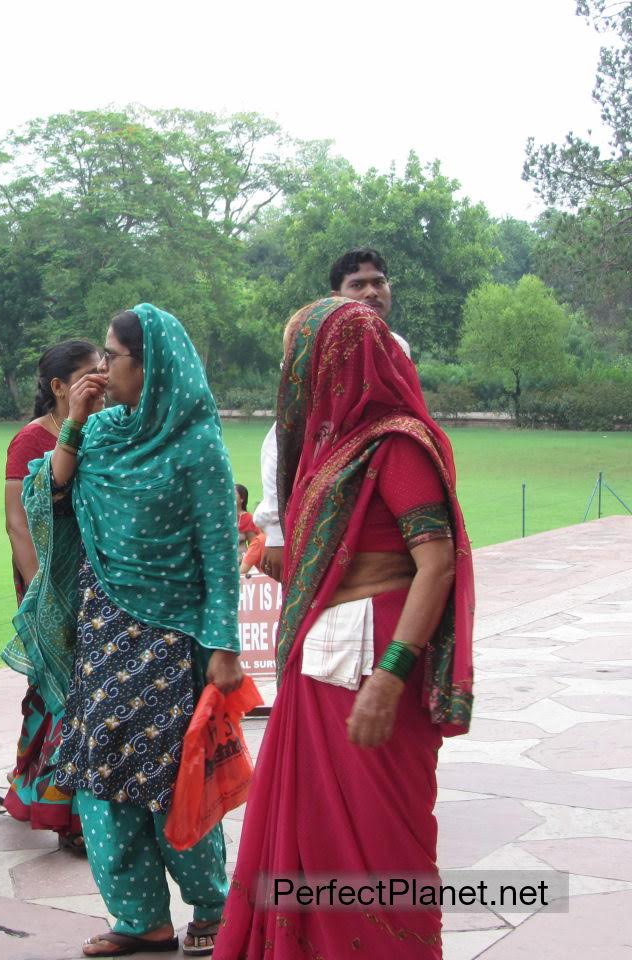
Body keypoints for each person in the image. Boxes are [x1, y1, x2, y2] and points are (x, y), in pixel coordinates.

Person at [214, 298, 474, 960]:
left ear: (329, 361)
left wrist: (391, 673)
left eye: (293, 358)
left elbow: (436, 561)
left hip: (374, 659)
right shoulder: (329, 449)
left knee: (381, 843)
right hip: (321, 663)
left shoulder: (394, 443)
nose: (287, 373)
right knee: (315, 835)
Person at [24, 305, 243, 957]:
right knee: (101, 774)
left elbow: (220, 549)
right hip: (102, 628)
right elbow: (52, 495)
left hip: (171, 636)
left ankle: (212, 906)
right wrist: (74, 425)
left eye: (112, 357)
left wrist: (225, 646)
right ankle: (141, 918)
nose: (102, 367)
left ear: (151, 367)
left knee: (174, 777)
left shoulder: (195, 439)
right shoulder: (103, 429)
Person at [0, 338, 100, 850]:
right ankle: (58, 807)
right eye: (88, 373)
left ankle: (62, 801)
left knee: (86, 693)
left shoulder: (104, 429)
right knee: (56, 689)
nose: (100, 379)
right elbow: (19, 524)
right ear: (59, 387)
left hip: (99, 580)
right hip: (46, 582)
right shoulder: (30, 441)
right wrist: (45, 593)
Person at [255, 248, 408, 581]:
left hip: (385, 502)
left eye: (379, 282)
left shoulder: (398, 348)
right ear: (335, 297)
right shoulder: (319, 350)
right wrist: (276, 534)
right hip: (326, 501)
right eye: (358, 285)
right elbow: (283, 438)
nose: (371, 292)